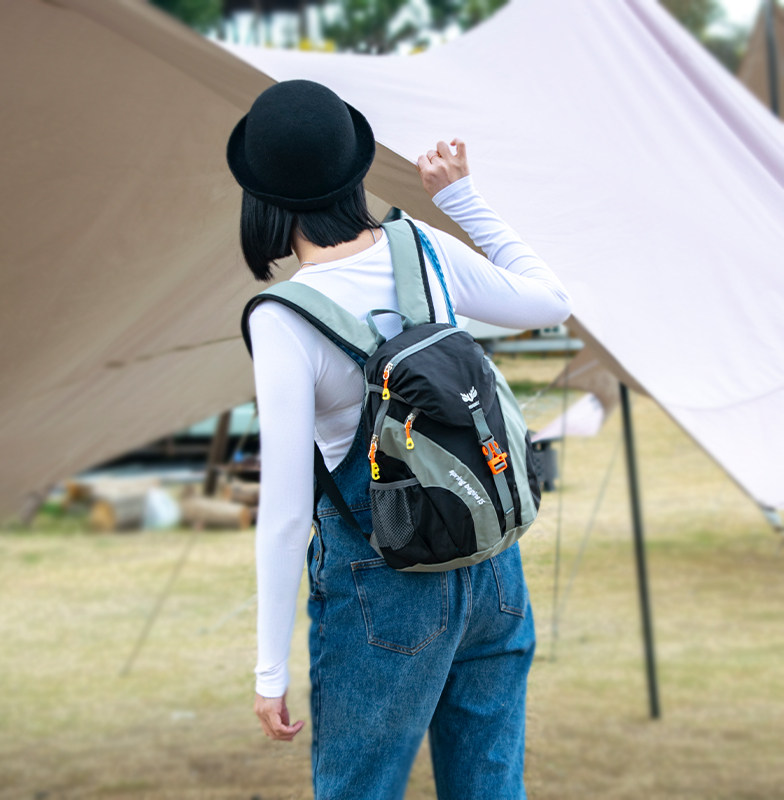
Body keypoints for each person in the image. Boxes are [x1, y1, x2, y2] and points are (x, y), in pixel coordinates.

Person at [226, 79, 571, 800]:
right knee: (490, 787)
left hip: (382, 590)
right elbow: (549, 301)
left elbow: (287, 512)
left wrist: (268, 671)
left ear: (263, 200)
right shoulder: (422, 247)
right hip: (491, 568)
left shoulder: (285, 318)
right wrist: (462, 197)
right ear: (353, 171)